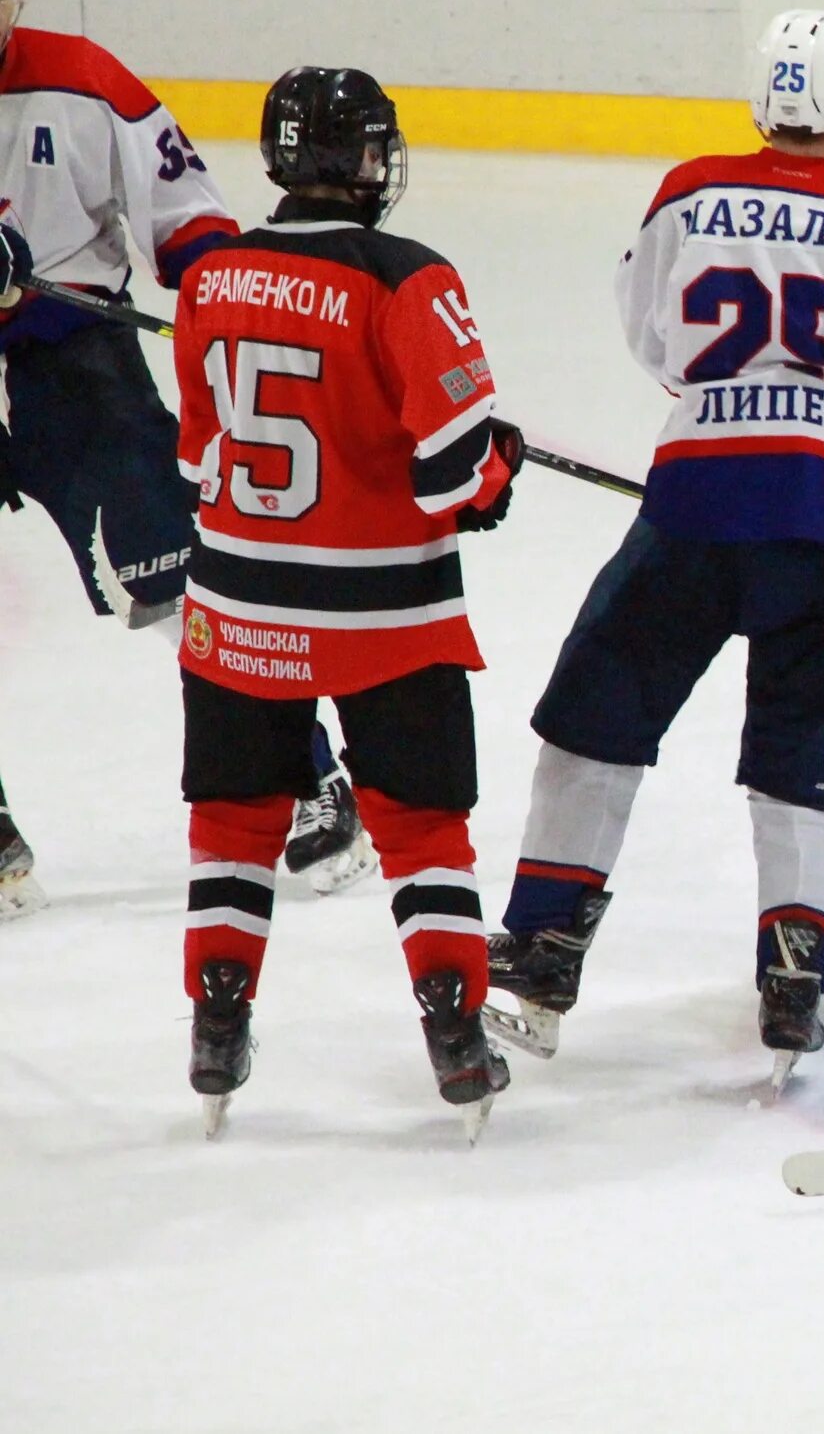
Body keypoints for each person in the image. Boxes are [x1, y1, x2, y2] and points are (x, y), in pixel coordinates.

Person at [482, 10, 824, 1086]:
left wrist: (738, 396)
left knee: (596, 714)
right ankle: (794, 969)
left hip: (697, 497)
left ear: (763, 98)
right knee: (809, 744)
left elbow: (656, 340)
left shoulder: (689, 190)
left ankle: (540, 945)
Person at [171, 67, 520, 1139]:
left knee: (235, 820)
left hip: (235, 609)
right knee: (421, 828)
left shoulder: (212, 275)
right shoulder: (407, 277)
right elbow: (455, 474)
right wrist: (498, 465)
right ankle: (455, 1027)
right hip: (385, 619)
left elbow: (195, 462)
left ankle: (218, 1019)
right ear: (367, 160)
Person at [0, 0, 365, 919]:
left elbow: (184, 212)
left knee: (171, 574)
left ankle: (304, 770)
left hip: (71, 359)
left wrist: (223, 294)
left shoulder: (85, 81)